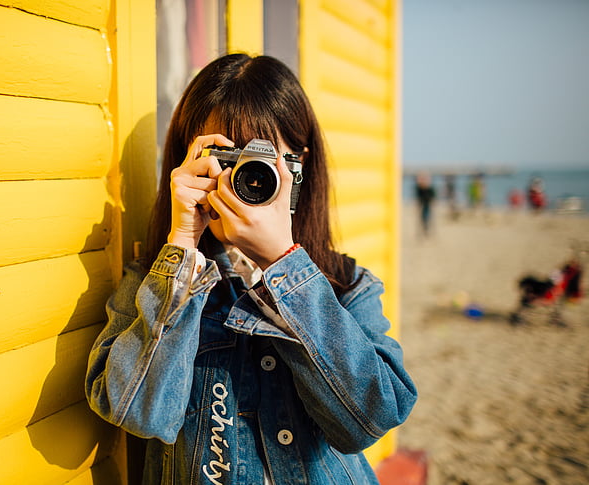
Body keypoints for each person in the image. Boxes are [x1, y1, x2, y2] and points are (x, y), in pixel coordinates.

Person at [85, 53, 417, 485]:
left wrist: (283, 262)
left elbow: (372, 418)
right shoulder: (157, 280)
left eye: (261, 165)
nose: (245, 181)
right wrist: (182, 243)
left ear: (299, 166)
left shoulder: (345, 285)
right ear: (188, 163)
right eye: (228, 158)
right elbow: (139, 413)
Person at [415, 172, 435, 237]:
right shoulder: (419, 188)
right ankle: (424, 231)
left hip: (427, 205)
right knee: (423, 219)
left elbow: (432, 197)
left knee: (427, 218)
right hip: (422, 205)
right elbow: (418, 198)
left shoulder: (429, 188)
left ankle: (426, 230)